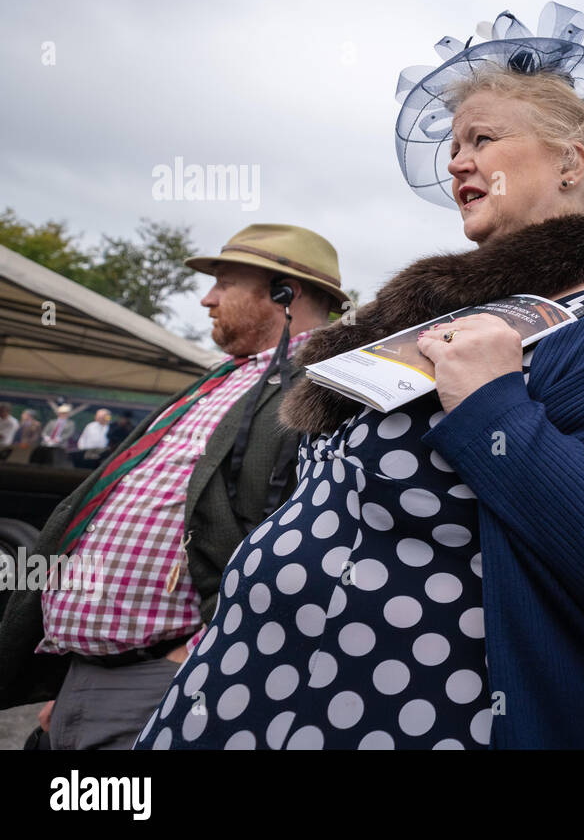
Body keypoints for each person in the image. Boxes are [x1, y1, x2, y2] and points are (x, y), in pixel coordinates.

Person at [135, 3, 584, 750]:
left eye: (482, 138)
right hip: (243, 696)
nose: (456, 162)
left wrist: (495, 408)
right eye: (454, 145)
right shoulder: (443, 320)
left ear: (570, 162)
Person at [0, 224, 347, 749]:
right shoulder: (220, 378)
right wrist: (82, 679)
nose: (207, 298)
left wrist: (191, 658)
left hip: (172, 680)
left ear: (285, 292)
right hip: (91, 675)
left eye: (224, 282)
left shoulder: (326, 386)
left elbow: (317, 543)